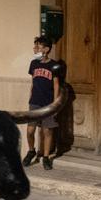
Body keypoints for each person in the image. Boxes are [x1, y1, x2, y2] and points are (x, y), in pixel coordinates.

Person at [22, 36, 60, 170]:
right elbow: (33, 83)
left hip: (48, 103)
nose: (35, 49)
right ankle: (31, 151)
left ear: (46, 49)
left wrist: (55, 105)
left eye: (38, 47)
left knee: (47, 131)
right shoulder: (34, 64)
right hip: (35, 102)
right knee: (30, 130)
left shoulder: (54, 65)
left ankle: (45, 157)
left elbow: (56, 85)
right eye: (35, 47)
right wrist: (31, 98)